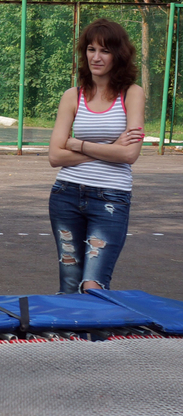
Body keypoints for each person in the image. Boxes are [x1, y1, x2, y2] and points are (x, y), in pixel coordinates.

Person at [47, 19, 145, 292]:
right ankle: (72, 337)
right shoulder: (72, 96)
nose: (96, 57)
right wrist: (111, 146)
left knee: (93, 284)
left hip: (110, 198)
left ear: (119, 55)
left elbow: (129, 155)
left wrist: (77, 144)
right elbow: (55, 155)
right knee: (69, 283)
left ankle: (97, 337)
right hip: (66, 194)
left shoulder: (131, 94)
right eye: (91, 49)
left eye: (105, 51)